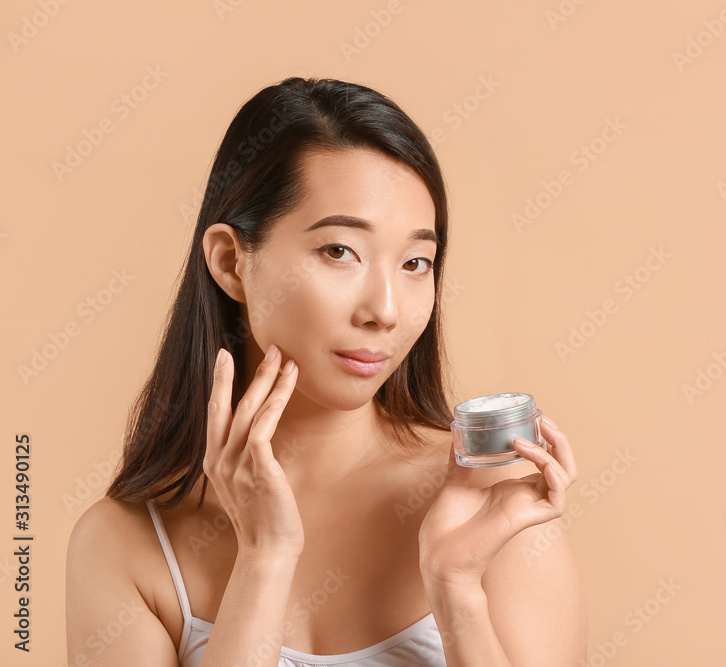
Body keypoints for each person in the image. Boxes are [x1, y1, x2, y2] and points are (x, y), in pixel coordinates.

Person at [65, 77, 586, 666]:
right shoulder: (123, 546)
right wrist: (263, 558)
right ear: (232, 262)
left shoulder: (495, 513)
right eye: (340, 252)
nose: (384, 311)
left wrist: (456, 590)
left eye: (416, 262)